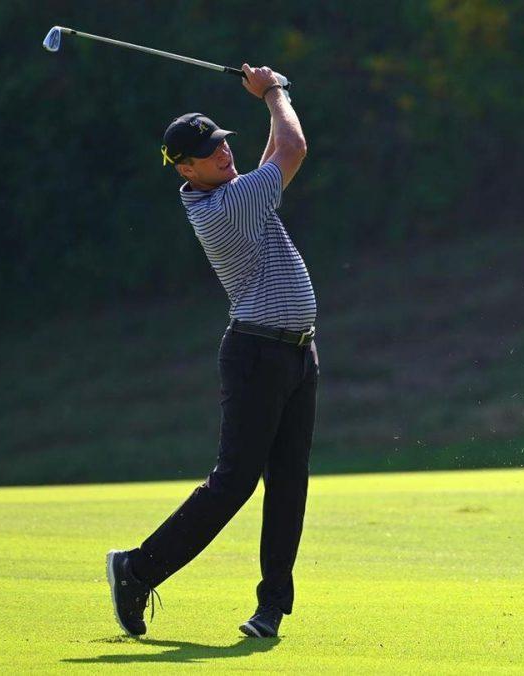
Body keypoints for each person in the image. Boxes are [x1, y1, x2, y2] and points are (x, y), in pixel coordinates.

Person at [105, 64, 318, 639]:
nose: (224, 153)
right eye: (209, 150)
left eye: (223, 141)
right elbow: (292, 147)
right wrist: (275, 91)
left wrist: (268, 99)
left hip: (297, 354)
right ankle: (136, 569)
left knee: (289, 482)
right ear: (184, 167)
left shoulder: (229, 190)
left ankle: (271, 607)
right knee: (233, 483)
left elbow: (275, 155)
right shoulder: (226, 207)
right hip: (257, 354)